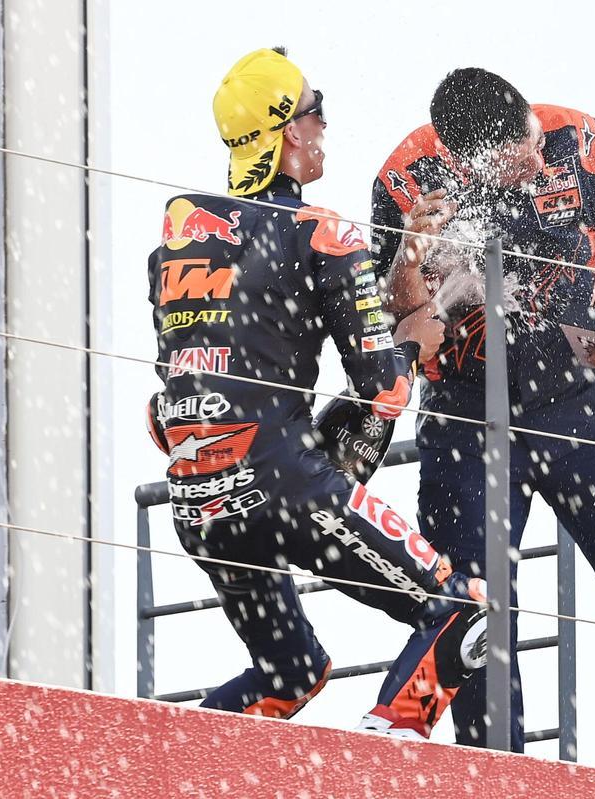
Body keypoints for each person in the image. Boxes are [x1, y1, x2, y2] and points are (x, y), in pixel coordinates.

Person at [369, 68, 595, 781]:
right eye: (518, 158)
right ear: (470, 161)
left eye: (534, 144)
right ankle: (498, 781)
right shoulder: (406, 180)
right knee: (473, 617)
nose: (537, 162)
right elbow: (405, 324)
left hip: (578, 398)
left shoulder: (581, 139)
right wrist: (411, 253)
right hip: (466, 414)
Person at [145, 48, 489, 739]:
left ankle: (169, 765)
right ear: (288, 131)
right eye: (316, 108)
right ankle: (385, 756)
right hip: (283, 488)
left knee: (292, 670)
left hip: (199, 508)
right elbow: (387, 389)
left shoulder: (176, 242)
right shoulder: (323, 233)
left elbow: (166, 408)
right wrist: (417, 339)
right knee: (464, 608)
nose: (325, 123)